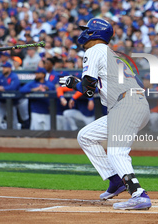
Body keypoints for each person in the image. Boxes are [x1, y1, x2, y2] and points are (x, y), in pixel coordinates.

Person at [59, 18, 151, 210]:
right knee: (86, 136)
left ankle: (139, 194)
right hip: (135, 104)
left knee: (117, 152)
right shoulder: (116, 54)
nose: (83, 33)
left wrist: (72, 83)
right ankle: (115, 180)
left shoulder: (94, 50)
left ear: (95, 33)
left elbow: (86, 88)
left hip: (126, 105)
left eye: (87, 30)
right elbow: (138, 83)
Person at [0, 62, 20, 129]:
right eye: (3, 67)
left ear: (9, 68)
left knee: (14, 119)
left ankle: (16, 135)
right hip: (2, 101)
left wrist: (2, 88)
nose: (3, 69)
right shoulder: (1, 77)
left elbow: (13, 88)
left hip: (12, 102)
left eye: (5, 67)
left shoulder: (14, 76)